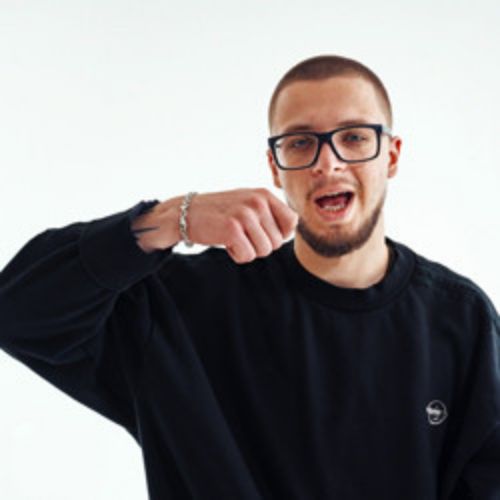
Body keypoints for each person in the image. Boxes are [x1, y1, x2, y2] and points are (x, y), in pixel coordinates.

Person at [0, 54, 498, 500]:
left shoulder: (460, 320)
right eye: (301, 143)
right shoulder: (182, 308)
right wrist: (170, 219)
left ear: (391, 155)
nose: (328, 163)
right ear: (275, 167)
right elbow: (18, 312)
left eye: (353, 137)